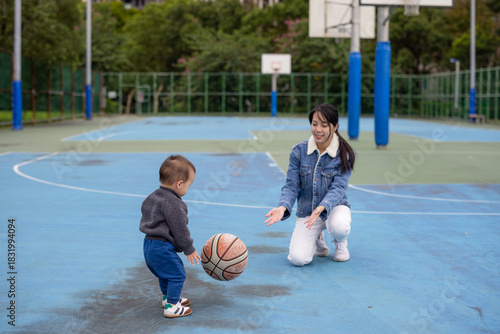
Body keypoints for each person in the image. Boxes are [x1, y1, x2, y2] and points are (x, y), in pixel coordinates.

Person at [265, 103, 355, 266]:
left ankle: (340, 241)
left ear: (335, 127)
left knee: (339, 226)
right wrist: (283, 207)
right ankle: (317, 237)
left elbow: (339, 188)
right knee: (298, 259)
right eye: (314, 124)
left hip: (334, 207)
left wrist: (323, 207)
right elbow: (292, 186)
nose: (318, 129)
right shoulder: (298, 151)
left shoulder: (345, 154)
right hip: (308, 212)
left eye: (324, 125)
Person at [139, 155, 201, 318]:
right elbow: (180, 228)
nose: (188, 188)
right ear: (179, 183)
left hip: (148, 245)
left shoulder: (153, 196)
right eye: (189, 184)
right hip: (162, 247)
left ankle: (168, 298)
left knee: (164, 273)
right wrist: (189, 248)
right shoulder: (173, 203)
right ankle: (172, 306)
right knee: (177, 274)